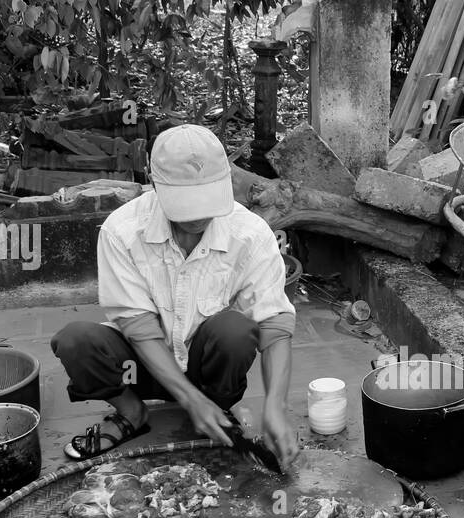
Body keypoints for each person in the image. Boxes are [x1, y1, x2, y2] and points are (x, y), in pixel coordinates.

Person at [51, 123, 301, 469]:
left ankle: (215, 407)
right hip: (139, 368)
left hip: (205, 369)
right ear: (154, 183)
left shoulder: (250, 234)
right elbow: (137, 326)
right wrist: (188, 399)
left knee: (235, 331)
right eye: (187, 203)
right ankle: (131, 413)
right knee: (77, 340)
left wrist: (276, 406)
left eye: (207, 201)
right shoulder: (121, 231)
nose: (199, 216)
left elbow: (273, 322)